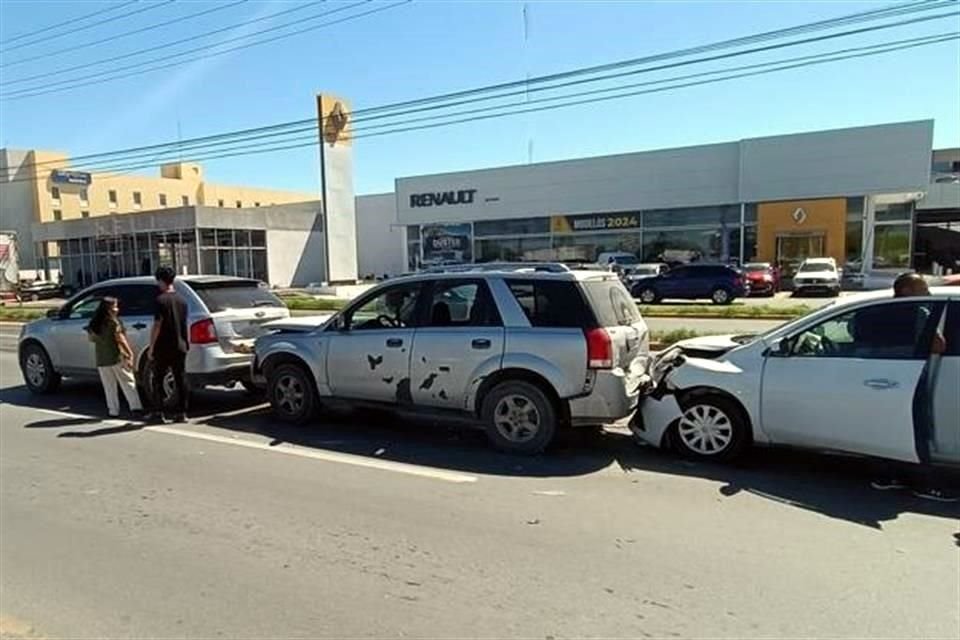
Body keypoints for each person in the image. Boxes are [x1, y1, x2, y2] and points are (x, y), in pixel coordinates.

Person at [871, 272, 955, 502]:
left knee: (889, 428)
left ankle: (887, 476)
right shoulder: (919, 312)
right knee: (917, 430)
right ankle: (924, 484)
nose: (927, 293)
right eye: (923, 288)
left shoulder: (879, 310)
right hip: (911, 378)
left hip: (880, 378)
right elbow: (939, 346)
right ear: (907, 291)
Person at [86, 296, 143, 418]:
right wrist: (129, 353)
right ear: (109, 308)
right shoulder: (113, 322)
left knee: (109, 386)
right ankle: (135, 407)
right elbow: (120, 339)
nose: (117, 309)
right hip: (116, 356)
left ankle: (113, 411)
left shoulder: (94, 322)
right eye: (115, 306)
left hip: (101, 358)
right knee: (128, 382)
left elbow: (91, 339)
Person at [146, 265, 189, 423]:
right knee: (180, 378)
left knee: (157, 378)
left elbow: (157, 324)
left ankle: (158, 412)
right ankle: (182, 413)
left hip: (163, 346)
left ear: (160, 280)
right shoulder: (182, 300)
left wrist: (151, 347)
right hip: (180, 344)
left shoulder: (160, 300)